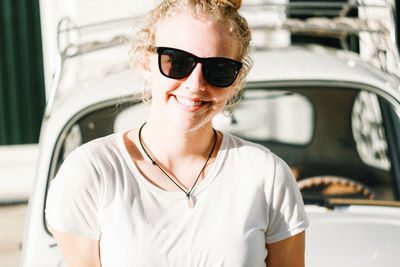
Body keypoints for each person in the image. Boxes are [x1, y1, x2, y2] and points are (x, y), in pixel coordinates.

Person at [45, 0, 309, 266]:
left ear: (236, 80)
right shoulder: (91, 173)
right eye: (178, 62)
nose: (195, 84)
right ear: (146, 63)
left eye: (218, 69)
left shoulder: (266, 175)